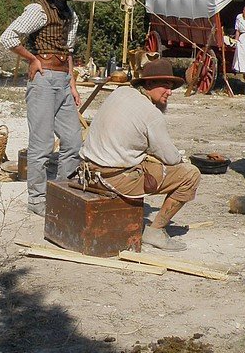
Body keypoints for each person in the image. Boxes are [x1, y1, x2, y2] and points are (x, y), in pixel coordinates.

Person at [79, 59, 201, 252]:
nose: (169, 93)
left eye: (171, 88)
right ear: (150, 84)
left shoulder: (120, 92)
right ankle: (155, 231)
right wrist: (177, 158)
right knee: (190, 175)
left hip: (86, 172)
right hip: (113, 178)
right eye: (165, 87)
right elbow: (171, 158)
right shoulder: (152, 115)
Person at [0, 0, 84, 216]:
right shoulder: (38, 10)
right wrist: (32, 59)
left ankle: (62, 191)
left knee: (73, 142)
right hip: (44, 80)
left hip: (61, 80)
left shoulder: (71, 14)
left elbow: (68, 50)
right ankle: (37, 199)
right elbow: (8, 37)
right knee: (42, 145)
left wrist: (72, 82)